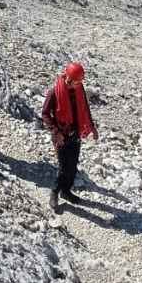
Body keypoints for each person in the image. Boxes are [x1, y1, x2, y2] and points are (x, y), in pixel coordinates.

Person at [41, 62, 98, 212]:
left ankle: (66, 191)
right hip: (61, 135)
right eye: (75, 82)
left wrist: (92, 127)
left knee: (72, 167)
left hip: (76, 133)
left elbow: (85, 108)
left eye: (79, 82)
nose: (78, 84)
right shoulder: (54, 92)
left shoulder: (79, 89)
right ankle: (55, 192)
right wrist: (55, 132)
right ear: (68, 78)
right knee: (63, 168)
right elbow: (45, 114)